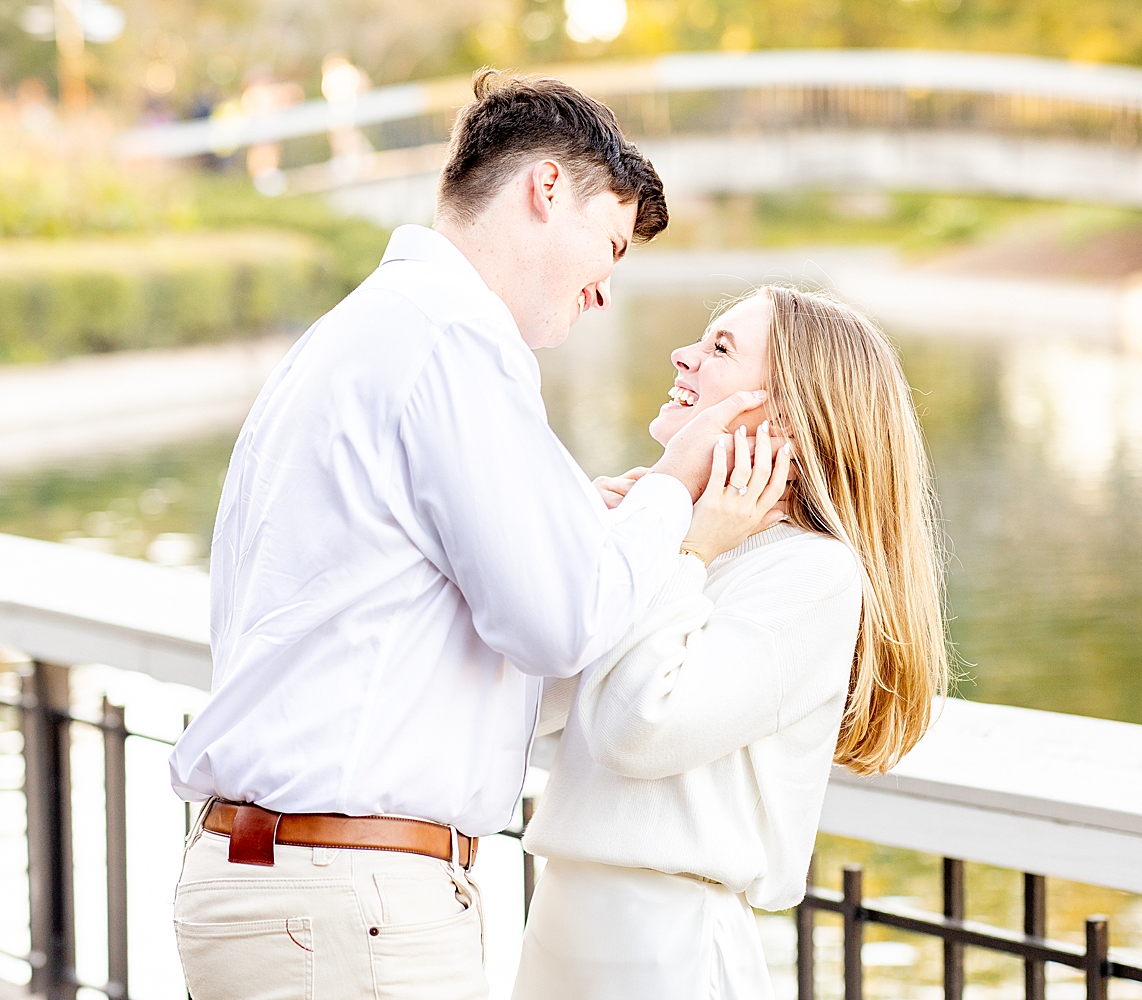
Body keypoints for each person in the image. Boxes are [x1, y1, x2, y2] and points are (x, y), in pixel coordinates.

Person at [167, 70, 768, 1000]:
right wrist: (675, 493)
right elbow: (555, 625)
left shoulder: (359, 332)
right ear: (547, 189)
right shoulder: (454, 339)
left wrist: (586, 524)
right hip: (349, 903)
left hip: (283, 883)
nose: (604, 290)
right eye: (608, 245)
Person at [513, 286, 952, 999]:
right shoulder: (692, 540)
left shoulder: (809, 571)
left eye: (719, 348)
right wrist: (607, 549)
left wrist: (682, 553)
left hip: (665, 949)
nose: (682, 356)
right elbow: (532, 705)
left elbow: (636, 729)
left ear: (785, 415)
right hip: (568, 925)